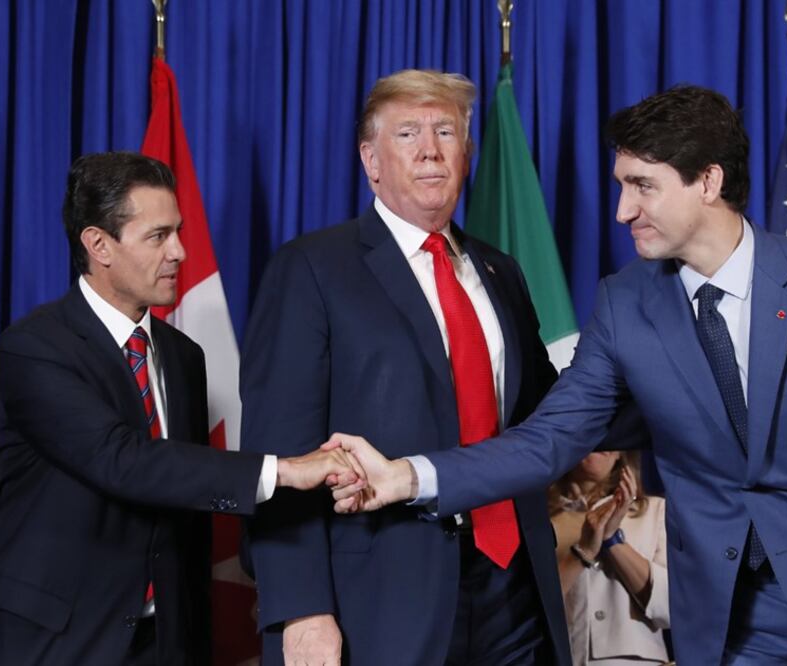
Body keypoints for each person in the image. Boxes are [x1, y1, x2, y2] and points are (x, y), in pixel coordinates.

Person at [328, 86, 787, 665]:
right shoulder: (625, 304)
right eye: (621, 186)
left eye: (642, 186)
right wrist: (408, 476)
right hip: (723, 625)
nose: (622, 211)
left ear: (708, 182)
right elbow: (548, 440)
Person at [0, 152, 359, 666]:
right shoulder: (34, 348)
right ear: (98, 245)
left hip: (163, 644)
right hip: (55, 644)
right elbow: (124, 460)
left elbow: (187, 511)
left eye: (178, 231)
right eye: (158, 237)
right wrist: (288, 470)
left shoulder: (184, 357)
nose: (180, 252)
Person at [240, 69, 571, 665]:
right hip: (381, 600)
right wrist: (302, 609)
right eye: (408, 133)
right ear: (370, 160)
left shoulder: (501, 272)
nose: (430, 149)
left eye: (446, 131)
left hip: (513, 587)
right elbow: (277, 451)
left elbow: (546, 414)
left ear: (466, 153)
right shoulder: (313, 269)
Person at [549, 451, 669, 665]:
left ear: (620, 454)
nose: (601, 444)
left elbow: (672, 609)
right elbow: (534, 605)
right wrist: (584, 550)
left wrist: (612, 540)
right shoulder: (541, 519)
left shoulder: (656, 510)